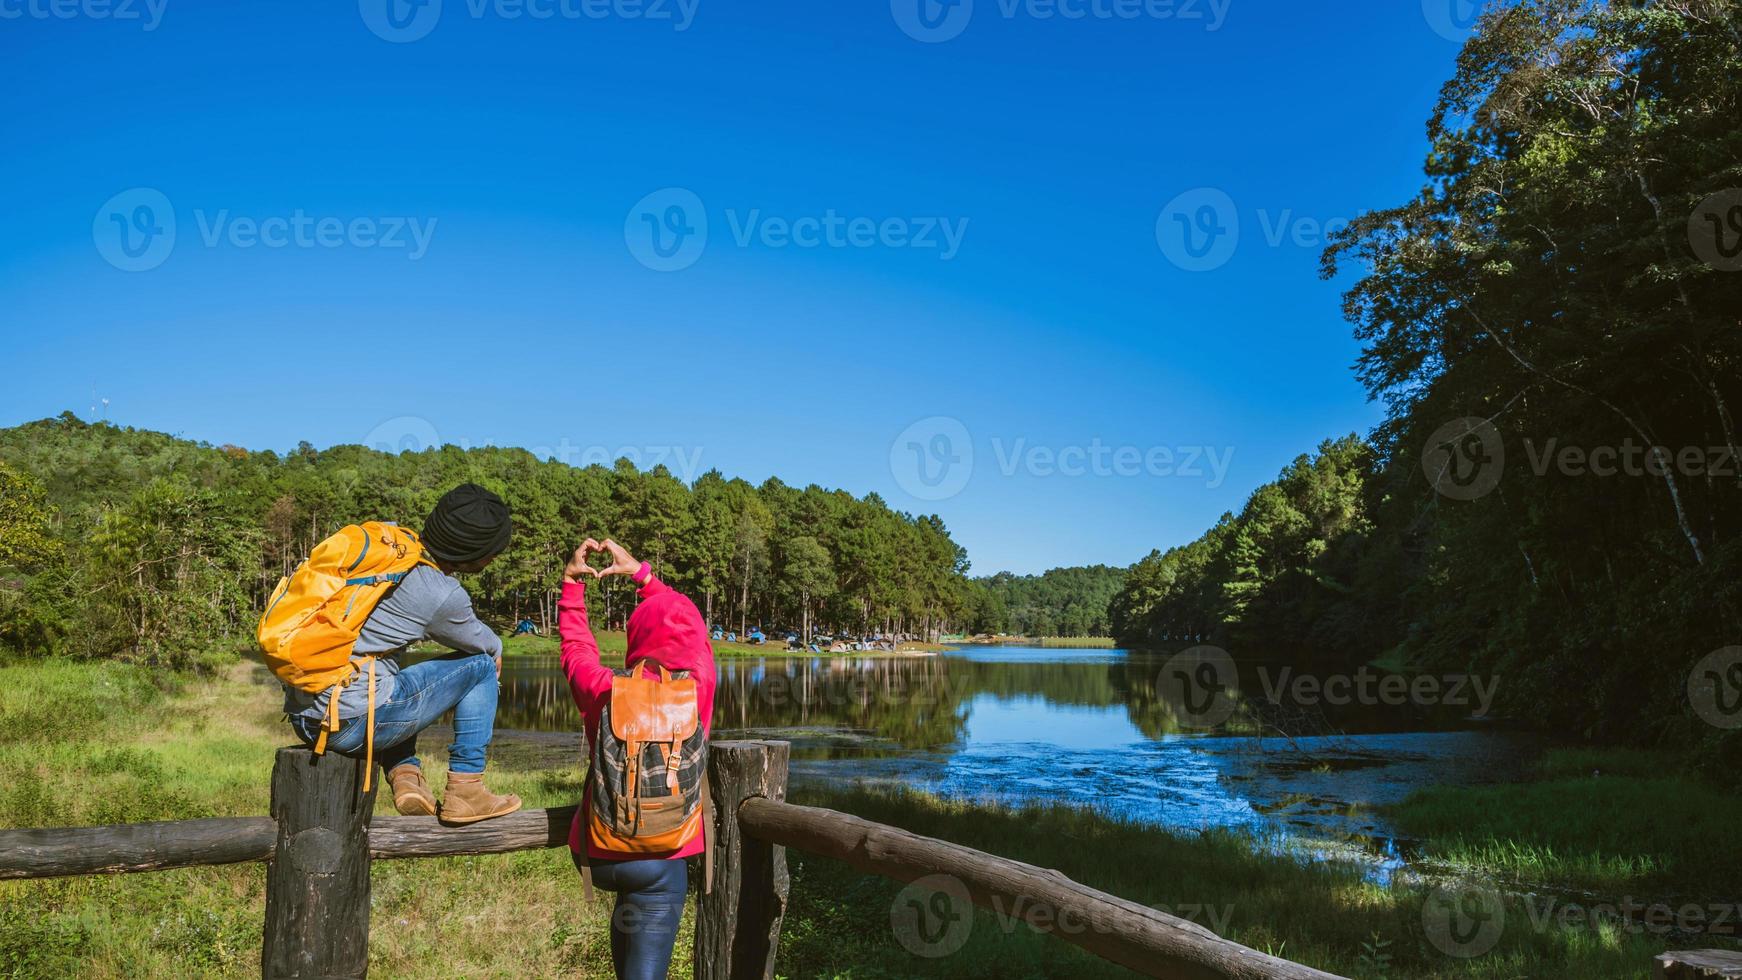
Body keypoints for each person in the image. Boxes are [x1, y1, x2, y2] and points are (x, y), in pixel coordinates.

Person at [281, 483, 522, 824]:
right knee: (480, 668)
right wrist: (496, 651)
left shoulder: (387, 546)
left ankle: (407, 774)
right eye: (494, 551)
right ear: (478, 553)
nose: (495, 558)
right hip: (352, 725)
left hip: (305, 716)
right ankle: (467, 790)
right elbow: (486, 646)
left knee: (394, 676)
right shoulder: (440, 593)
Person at [558, 538, 716, 980]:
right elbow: (691, 629)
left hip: (602, 855)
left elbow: (575, 649)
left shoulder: (605, 688)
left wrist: (572, 585)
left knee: (629, 932)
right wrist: (644, 577)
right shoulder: (699, 686)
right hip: (662, 860)